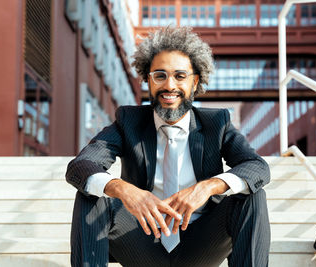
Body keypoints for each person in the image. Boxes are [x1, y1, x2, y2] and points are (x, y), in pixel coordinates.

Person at [66, 26, 271, 267]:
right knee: (92, 192)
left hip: (201, 244)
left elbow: (256, 167)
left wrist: (207, 187)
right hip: (139, 241)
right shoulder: (128, 121)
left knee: (251, 196)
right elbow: (81, 165)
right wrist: (123, 189)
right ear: (148, 80)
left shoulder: (217, 123)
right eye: (160, 75)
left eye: (180, 76)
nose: (169, 86)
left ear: (195, 82)